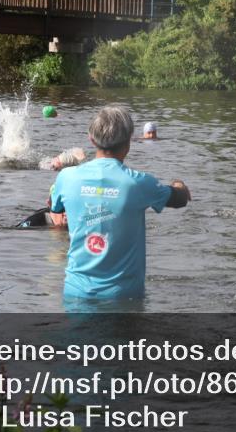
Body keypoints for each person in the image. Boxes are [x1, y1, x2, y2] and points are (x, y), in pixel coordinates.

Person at [49, 106, 191, 301]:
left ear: (91, 139)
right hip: (124, 297)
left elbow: (55, 211)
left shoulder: (66, 177)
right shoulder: (140, 183)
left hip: (75, 294)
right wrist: (178, 184)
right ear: (129, 141)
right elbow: (180, 199)